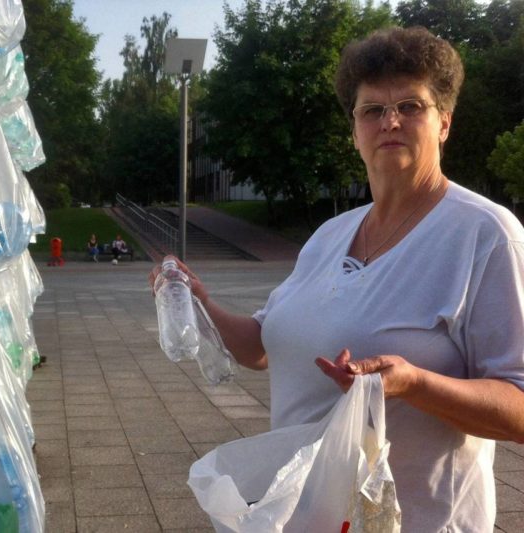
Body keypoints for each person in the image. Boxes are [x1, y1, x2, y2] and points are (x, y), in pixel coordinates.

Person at [150, 27, 524, 532]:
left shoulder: (486, 235)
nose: (390, 121)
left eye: (411, 106)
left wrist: (414, 384)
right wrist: (200, 302)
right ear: (355, 131)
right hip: (307, 517)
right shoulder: (331, 233)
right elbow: (263, 345)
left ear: (444, 124)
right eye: (372, 110)